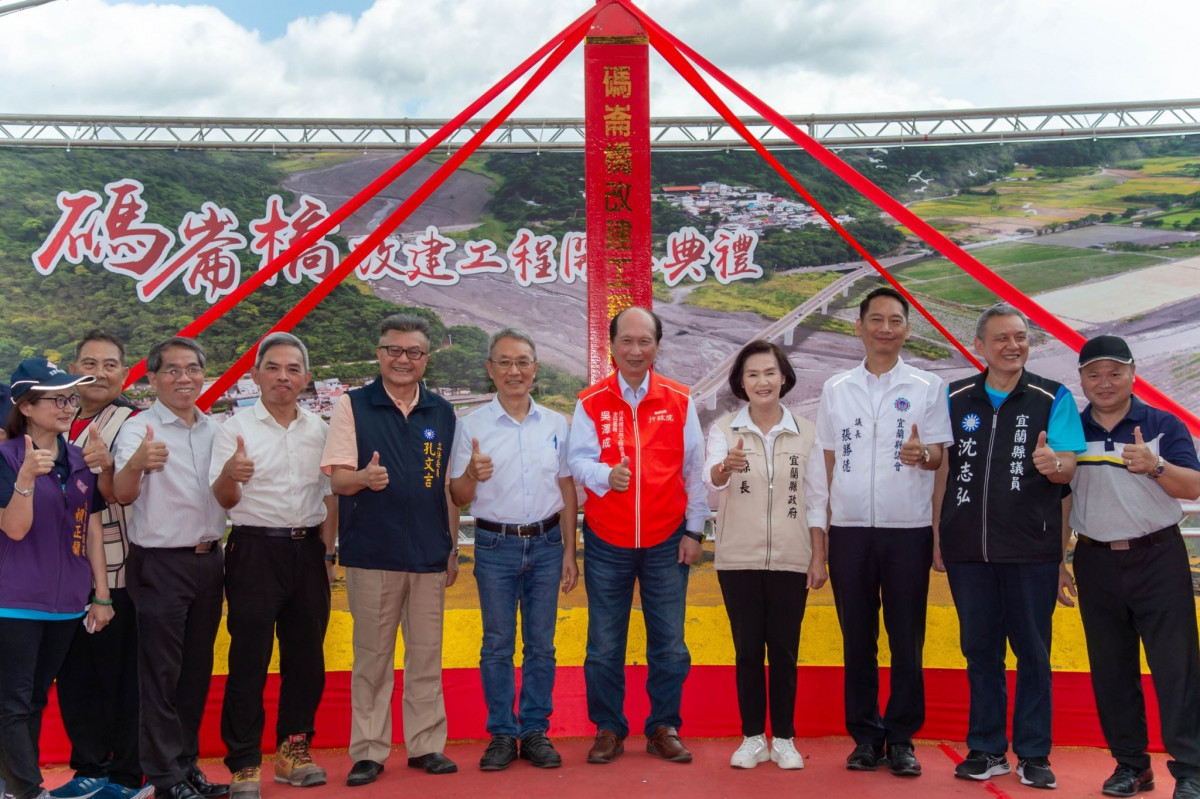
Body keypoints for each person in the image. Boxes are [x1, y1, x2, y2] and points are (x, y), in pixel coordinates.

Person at [935, 305, 1085, 790]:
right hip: (967, 551)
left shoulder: (1052, 397)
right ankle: (986, 748)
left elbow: (1067, 471)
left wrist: (1052, 463)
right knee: (980, 652)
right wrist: (940, 536)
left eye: (1020, 337)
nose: (1012, 346)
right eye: (1001, 338)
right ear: (979, 346)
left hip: (1032, 551)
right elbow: (942, 470)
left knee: (1034, 653)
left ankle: (1035, 753)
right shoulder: (954, 396)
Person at [815, 286, 952, 777]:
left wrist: (924, 456)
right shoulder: (836, 389)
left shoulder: (928, 387)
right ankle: (865, 737)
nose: (885, 329)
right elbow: (826, 463)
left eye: (896, 321)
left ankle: (902, 738)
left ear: (907, 329)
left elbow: (940, 458)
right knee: (857, 638)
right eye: (876, 319)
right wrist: (822, 534)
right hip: (849, 531)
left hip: (907, 530)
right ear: (859, 326)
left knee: (906, 638)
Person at [321, 313, 460, 785]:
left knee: (426, 655)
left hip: (428, 553)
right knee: (372, 658)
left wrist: (452, 548)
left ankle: (425, 745)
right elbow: (338, 478)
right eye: (394, 351)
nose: (403, 360)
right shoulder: (352, 405)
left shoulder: (441, 412)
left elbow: (443, 486)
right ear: (379, 354)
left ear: (426, 359)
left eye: (414, 352)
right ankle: (369, 751)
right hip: (371, 553)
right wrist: (362, 479)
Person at [568, 305, 707, 765]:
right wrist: (608, 477)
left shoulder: (680, 400)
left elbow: (695, 472)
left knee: (668, 642)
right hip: (608, 540)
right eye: (625, 341)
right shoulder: (590, 401)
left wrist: (694, 531)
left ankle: (664, 726)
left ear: (656, 347)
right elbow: (578, 463)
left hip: (668, 540)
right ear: (611, 347)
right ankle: (608, 728)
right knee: (605, 643)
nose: (634, 349)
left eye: (644, 341)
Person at [1064, 334, 1200, 799]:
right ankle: (1131, 766)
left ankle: (1191, 772)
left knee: (1176, 668)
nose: (1105, 382)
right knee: (1111, 669)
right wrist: (1061, 558)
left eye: (1115, 372)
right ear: (1081, 377)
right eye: (1094, 374)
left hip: (1157, 556)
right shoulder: (1069, 429)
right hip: (1095, 560)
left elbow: (1193, 488)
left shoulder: (1162, 423)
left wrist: (1156, 465)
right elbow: (1062, 497)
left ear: (1132, 372)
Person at [211, 333, 337, 798]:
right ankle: (244, 761)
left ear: (305, 378)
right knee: (249, 659)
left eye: (292, 369)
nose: (282, 376)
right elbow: (223, 499)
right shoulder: (234, 429)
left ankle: (293, 750)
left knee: (306, 659)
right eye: (273, 368)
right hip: (253, 550)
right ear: (255, 374)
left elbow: (329, 498)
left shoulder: (319, 429)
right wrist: (231, 475)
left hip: (308, 552)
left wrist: (327, 553)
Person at [448, 328, 578, 771]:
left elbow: (566, 488)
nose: (513, 370)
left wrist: (569, 552)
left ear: (535, 369)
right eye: (503, 362)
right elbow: (458, 495)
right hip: (494, 544)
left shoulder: (557, 424)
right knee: (497, 645)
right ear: (490, 370)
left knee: (542, 645)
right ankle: (503, 733)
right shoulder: (470, 427)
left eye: (522, 361)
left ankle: (535, 731)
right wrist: (470, 473)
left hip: (546, 543)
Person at [113, 338, 229, 799]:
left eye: (193, 369)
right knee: (161, 674)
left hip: (209, 561)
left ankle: (186, 766)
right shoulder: (137, 429)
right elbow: (122, 494)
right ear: (152, 378)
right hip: (160, 564)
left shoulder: (214, 428)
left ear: (204, 374)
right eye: (173, 370)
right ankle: (163, 778)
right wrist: (139, 465)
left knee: (195, 672)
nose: (185, 378)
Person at [704, 340, 827, 771]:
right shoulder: (723, 431)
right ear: (741, 382)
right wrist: (726, 468)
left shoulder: (807, 431)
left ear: (784, 377)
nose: (762, 381)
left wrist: (818, 556)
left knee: (785, 650)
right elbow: (711, 481)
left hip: (793, 558)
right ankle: (753, 736)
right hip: (738, 558)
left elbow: (816, 499)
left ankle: (786, 738)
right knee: (747, 650)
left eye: (770, 372)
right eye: (753, 374)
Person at [0, 359, 114, 799]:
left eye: (71, 398)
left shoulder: (80, 461)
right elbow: (14, 528)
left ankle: (15, 787)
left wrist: (101, 595)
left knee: (32, 702)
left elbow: (91, 533)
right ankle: (28, 790)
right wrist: (26, 479)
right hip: (14, 600)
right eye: (56, 398)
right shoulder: (6, 459)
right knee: (11, 702)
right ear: (26, 406)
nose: (68, 406)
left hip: (66, 602)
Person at [52, 331, 147, 799]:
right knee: (74, 674)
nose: (100, 371)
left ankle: (126, 773)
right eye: (89, 362)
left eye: (110, 364)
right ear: (73, 369)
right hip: (60, 573)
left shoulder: (132, 422)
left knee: (119, 673)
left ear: (124, 373)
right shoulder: (57, 421)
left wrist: (107, 466)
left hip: (116, 568)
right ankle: (87, 766)